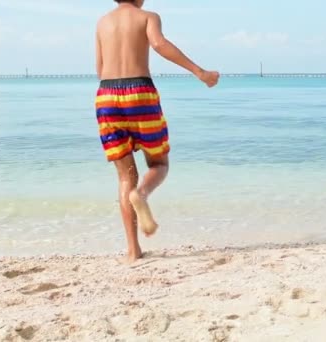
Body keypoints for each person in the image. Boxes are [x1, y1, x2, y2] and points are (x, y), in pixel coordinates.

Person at [95, 0, 219, 263]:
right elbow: (159, 44)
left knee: (125, 176)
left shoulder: (102, 22)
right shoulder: (148, 16)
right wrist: (200, 72)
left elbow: (100, 67)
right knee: (159, 163)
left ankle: (133, 251)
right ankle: (141, 194)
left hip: (106, 95)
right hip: (139, 91)